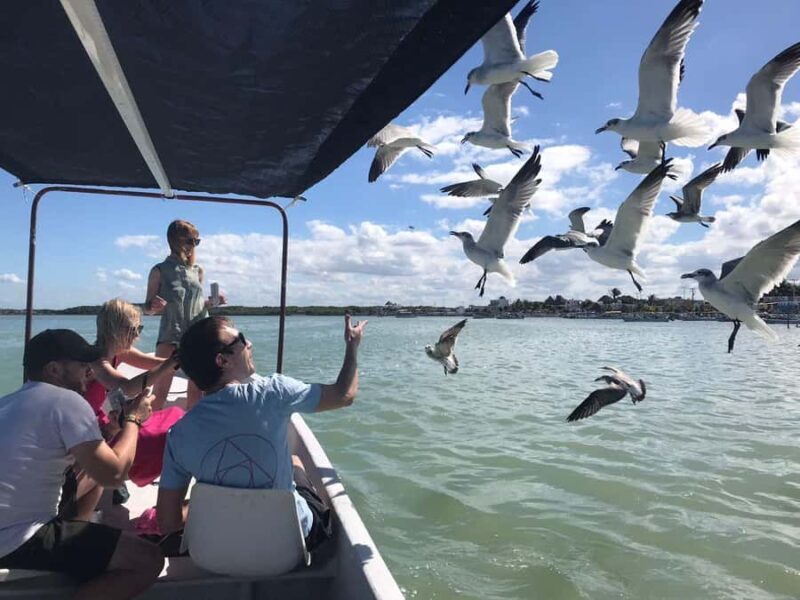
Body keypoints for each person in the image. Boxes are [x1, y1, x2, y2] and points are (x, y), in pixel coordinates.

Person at [156, 314, 367, 553]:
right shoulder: (274, 392)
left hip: (217, 549)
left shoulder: (179, 434)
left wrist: (203, 506)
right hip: (287, 547)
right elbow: (344, 395)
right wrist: (352, 347)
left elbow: (167, 522)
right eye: (241, 341)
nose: (250, 345)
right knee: (295, 461)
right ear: (222, 360)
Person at [0, 329, 163, 599]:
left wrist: (110, 433)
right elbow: (114, 473)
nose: (89, 373)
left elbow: (85, 464)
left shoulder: (8, 402)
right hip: (16, 539)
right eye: (82, 366)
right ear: (53, 369)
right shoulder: (66, 400)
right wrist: (133, 419)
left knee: (90, 474)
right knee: (147, 559)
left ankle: (78, 554)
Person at [86, 299, 185, 489]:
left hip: (107, 419)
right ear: (117, 329)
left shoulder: (119, 350)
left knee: (176, 418)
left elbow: (152, 362)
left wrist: (185, 361)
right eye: (135, 329)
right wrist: (170, 364)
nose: (138, 334)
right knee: (162, 434)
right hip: (90, 427)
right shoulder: (95, 359)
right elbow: (126, 387)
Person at [144, 219, 225, 410]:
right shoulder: (159, 271)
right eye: (191, 241)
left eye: (197, 242)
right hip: (170, 336)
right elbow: (147, 309)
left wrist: (212, 302)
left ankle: (192, 432)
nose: (194, 246)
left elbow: (196, 303)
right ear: (175, 241)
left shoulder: (198, 270)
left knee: (197, 390)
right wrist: (153, 306)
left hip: (198, 335)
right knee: (160, 391)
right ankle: (149, 431)